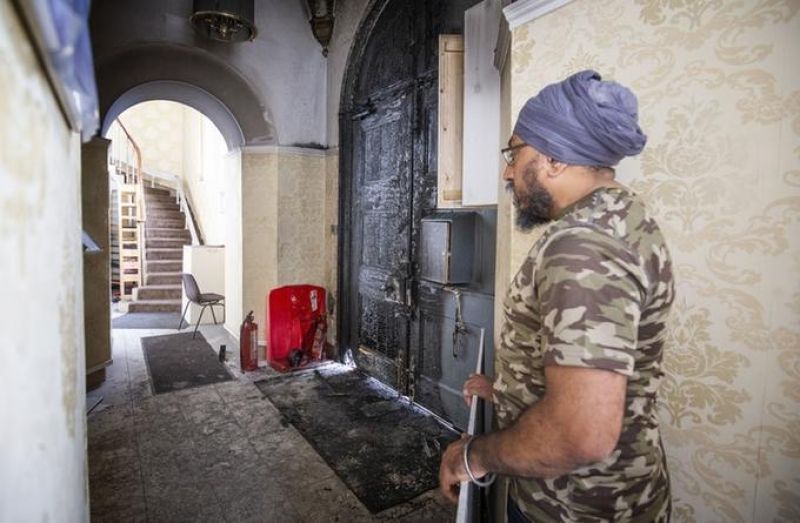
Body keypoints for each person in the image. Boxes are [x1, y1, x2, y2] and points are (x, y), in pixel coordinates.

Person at [438, 70, 674, 522]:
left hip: (574, 508)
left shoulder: (584, 246)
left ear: (554, 160)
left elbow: (579, 433)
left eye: (514, 152)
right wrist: (507, 393)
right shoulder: (625, 217)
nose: (507, 170)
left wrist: (473, 455)